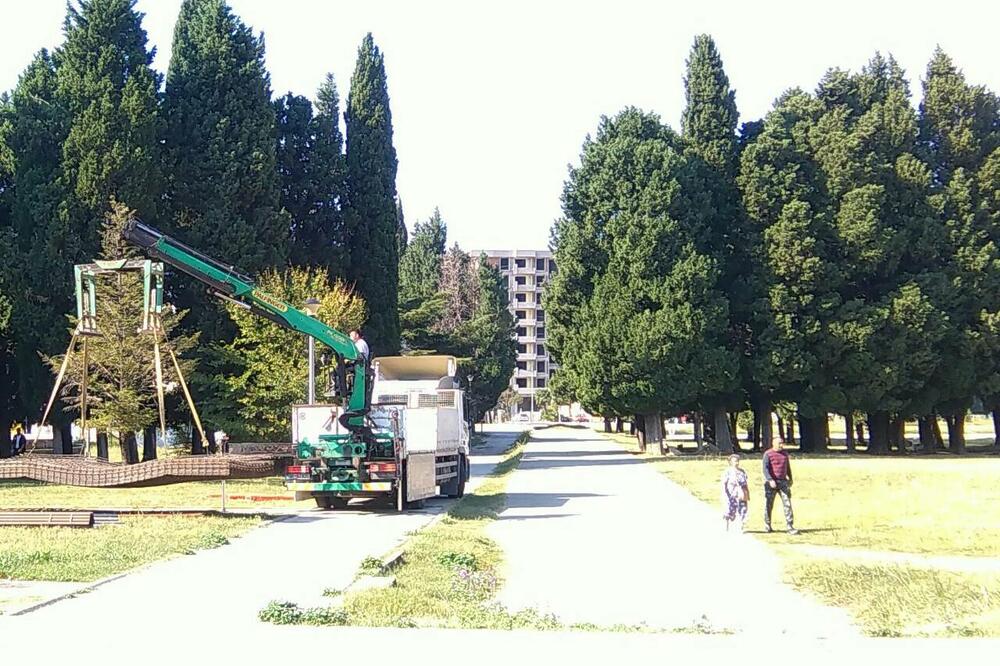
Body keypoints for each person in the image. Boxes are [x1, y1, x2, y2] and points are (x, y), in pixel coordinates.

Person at [763, 437, 798, 534]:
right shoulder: (768, 454)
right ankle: (767, 525)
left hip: (783, 482)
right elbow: (765, 469)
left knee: (787, 504)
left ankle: (790, 526)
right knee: (768, 505)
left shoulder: (785, 454)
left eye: (782, 443)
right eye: (779, 443)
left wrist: (790, 478)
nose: (781, 445)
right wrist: (770, 480)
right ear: (773, 443)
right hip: (771, 483)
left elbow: (788, 467)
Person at [721, 453, 749, 532]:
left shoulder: (742, 471)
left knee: (743, 509)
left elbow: (745, 482)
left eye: (737, 461)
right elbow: (724, 483)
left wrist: (746, 493)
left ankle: (741, 526)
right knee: (730, 510)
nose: (736, 463)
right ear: (730, 462)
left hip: (741, 493)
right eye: (734, 461)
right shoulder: (728, 471)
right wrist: (725, 493)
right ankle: (726, 525)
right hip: (731, 494)